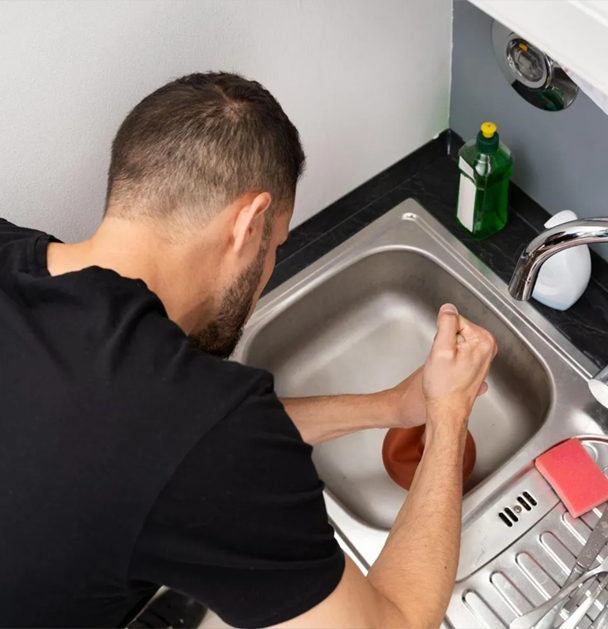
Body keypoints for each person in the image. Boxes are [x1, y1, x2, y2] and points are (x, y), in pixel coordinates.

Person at [0, 72, 497, 629]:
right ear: (249, 223)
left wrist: (390, 407)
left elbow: (171, 442)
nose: (265, 277)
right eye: (276, 247)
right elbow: (396, 623)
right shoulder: (204, 428)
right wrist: (450, 415)